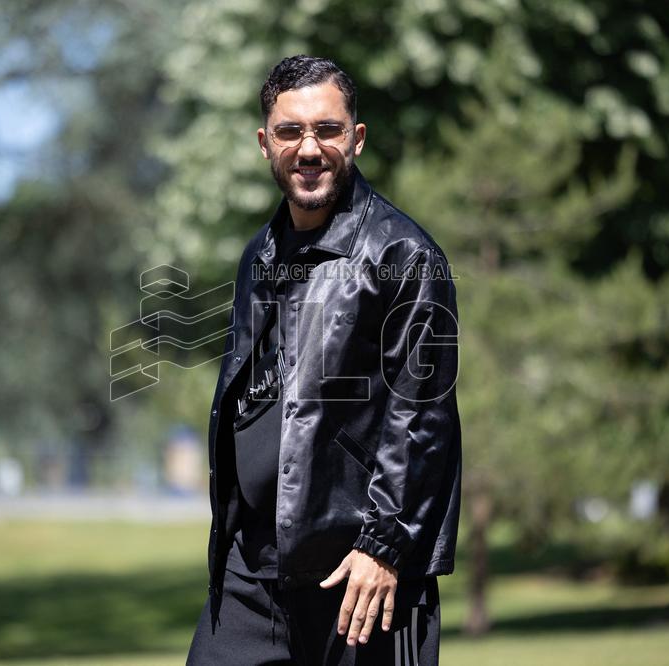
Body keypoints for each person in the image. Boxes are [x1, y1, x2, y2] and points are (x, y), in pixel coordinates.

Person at [187, 54, 462, 666]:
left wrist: (384, 546)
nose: (309, 149)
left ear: (356, 139)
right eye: (290, 132)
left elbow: (421, 416)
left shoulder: (406, 255)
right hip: (251, 573)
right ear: (265, 144)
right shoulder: (258, 253)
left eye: (327, 130)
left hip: (360, 577)